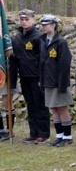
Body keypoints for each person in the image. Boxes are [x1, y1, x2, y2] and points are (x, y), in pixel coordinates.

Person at [11, 9, 50, 143]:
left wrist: (42, 78)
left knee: (40, 105)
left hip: (36, 76)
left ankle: (43, 134)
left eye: (27, 19)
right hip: (24, 76)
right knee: (30, 105)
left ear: (33, 20)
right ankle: (33, 133)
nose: (24, 22)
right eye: (21, 19)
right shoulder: (17, 37)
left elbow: (43, 59)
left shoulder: (38, 37)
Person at [39, 15, 74, 147]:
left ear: (53, 25)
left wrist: (62, 84)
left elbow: (64, 65)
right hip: (48, 81)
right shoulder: (44, 41)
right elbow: (42, 63)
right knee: (53, 109)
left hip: (58, 82)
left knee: (62, 108)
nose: (42, 27)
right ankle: (59, 136)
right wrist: (41, 81)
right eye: (41, 25)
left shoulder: (61, 42)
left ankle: (67, 136)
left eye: (45, 24)